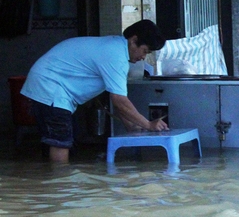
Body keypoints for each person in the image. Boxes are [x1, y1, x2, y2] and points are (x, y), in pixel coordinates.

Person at [21, 19, 170, 163]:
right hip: (49, 88)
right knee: (61, 142)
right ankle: (61, 185)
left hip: (49, 88)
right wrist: (148, 124)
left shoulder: (115, 48)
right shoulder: (115, 55)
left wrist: (132, 125)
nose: (143, 57)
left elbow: (117, 99)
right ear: (133, 40)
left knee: (63, 141)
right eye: (144, 51)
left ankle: (47, 181)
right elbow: (119, 100)